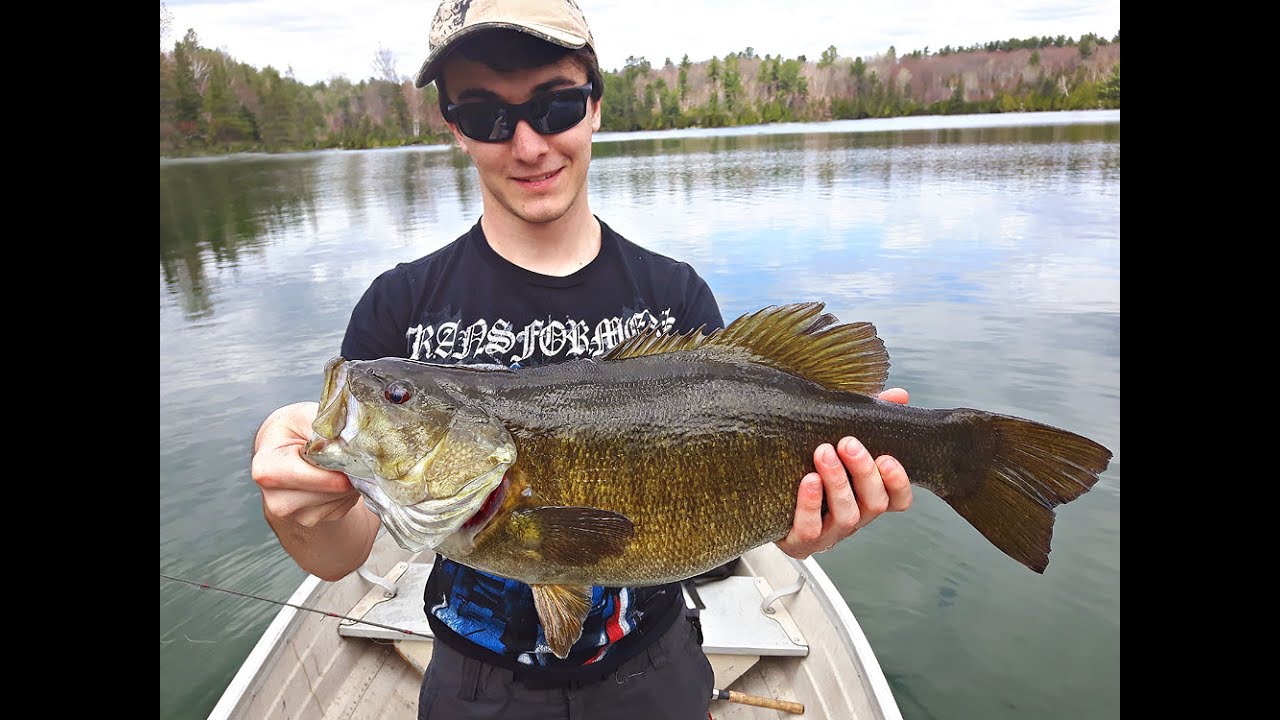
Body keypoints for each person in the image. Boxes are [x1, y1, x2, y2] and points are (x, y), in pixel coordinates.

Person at [250, 1, 914, 717]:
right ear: (453, 128)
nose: (529, 144)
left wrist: (807, 520)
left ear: (595, 105)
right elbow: (341, 555)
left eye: (556, 104)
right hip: (471, 687)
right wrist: (303, 514)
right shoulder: (399, 309)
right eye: (487, 116)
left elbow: (725, 526)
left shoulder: (673, 295)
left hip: (655, 669)